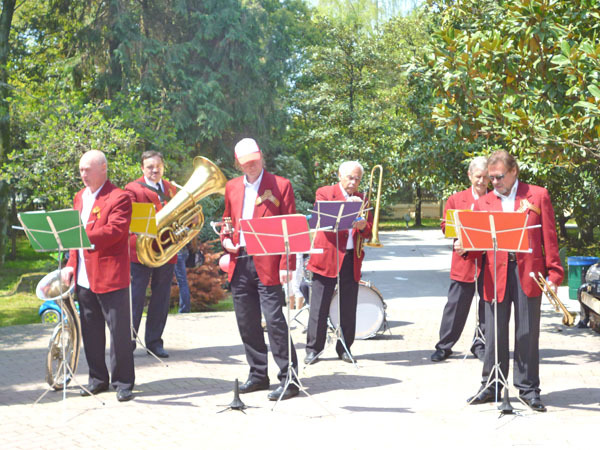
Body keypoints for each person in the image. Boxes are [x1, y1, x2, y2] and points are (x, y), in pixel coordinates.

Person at [464, 150, 564, 412]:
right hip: (494, 274)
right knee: (494, 333)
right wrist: (464, 246)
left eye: (499, 177)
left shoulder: (538, 195)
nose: (494, 182)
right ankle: (491, 385)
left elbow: (549, 238)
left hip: (528, 272)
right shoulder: (483, 202)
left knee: (527, 333)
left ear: (513, 172)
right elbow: (477, 248)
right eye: (491, 178)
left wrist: (554, 273)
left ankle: (528, 389)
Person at [221, 138, 299, 401]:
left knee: (274, 321)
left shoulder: (281, 185)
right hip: (240, 260)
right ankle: (257, 375)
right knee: (246, 321)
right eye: (246, 163)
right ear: (238, 163)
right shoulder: (232, 186)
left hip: (269, 262)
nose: (252, 166)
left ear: (262, 156)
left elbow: (291, 227)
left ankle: (289, 378)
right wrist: (225, 239)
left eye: (255, 160)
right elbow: (227, 219)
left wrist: (287, 265)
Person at [61, 150, 135, 402]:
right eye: (81, 169)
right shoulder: (79, 196)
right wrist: (71, 264)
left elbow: (115, 231)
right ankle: (97, 379)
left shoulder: (119, 197)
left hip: (110, 276)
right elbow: (74, 238)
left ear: (103, 168)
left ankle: (123, 382)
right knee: (91, 332)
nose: (83, 174)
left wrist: (80, 236)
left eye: (87, 169)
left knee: (119, 333)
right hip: (84, 277)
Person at [304, 161, 373, 366]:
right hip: (327, 256)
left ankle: (345, 348)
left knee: (348, 307)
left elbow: (369, 232)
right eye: (350, 178)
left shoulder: (363, 199)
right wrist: (348, 206)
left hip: (351, 257)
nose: (353, 182)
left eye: (357, 179)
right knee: (319, 306)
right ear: (340, 176)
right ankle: (314, 349)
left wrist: (363, 226)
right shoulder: (325, 193)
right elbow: (322, 222)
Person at [431, 156, 489, 362]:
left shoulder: (496, 200)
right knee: (455, 306)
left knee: (488, 307)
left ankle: (480, 344)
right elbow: (445, 225)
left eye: (486, 177)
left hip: (489, 262)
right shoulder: (456, 199)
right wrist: (459, 235)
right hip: (464, 261)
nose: (482, 181)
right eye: (478, 176)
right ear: (470, 176)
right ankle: (444, 346)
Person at [125, 151, 177, 358]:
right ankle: (127, 342)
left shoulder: (172, 188)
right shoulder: (132, 188)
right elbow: (132, 218)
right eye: (150, 167)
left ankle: (154, 342)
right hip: (140, 251)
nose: (155, 170)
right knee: (135, 298)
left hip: (165, 250)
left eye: (158, 166)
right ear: (142, 168)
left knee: (161, 298)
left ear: (163, 167)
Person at [174, 245, 191, 313]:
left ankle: (184, 309)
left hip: (176, 253)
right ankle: (185, 308)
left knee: (182, 283)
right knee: (183, 282)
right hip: (184, 252)